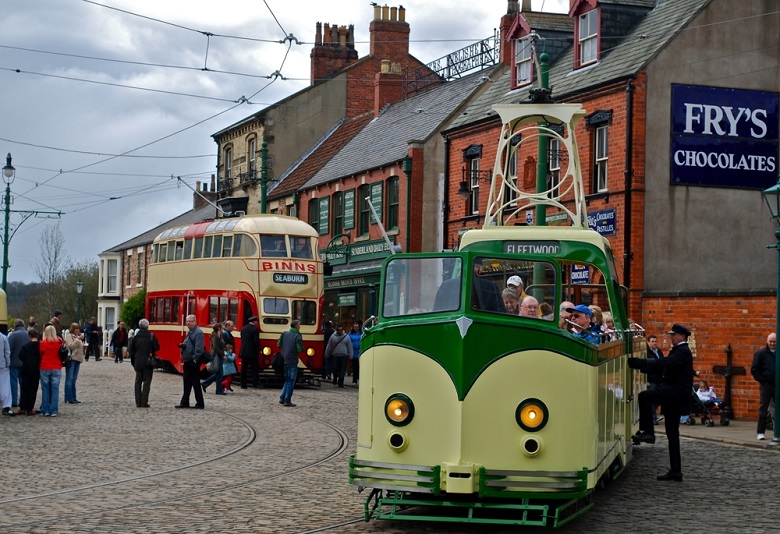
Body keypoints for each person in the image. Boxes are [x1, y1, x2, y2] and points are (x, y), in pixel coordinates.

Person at [628, 323, 695, 482]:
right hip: (674, 395)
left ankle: (649, 432)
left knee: (645, 396)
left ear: (682, 337)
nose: (671, 337)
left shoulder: (683, 351)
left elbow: (665, 363)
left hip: (675, 393)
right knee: (672, 435)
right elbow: (664, 367)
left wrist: (641, 363)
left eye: (674, 335)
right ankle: (676, 471)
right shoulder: (680, 351)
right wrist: (644, 366)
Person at [176, 314, 205, 409]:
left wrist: (194, 359)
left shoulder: (198, 333)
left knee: (195, 383)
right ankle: (185, 402)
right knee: (187, 382)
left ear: (195, 322)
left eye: (190, 321)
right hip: (188, 360)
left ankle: (200, 403)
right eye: (187, 321)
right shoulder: (190, 332)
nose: (188, 323)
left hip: (193, 361)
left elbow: (199, 349)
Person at [129, 319, 160, 408]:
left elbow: (132, 351)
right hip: (148, 362)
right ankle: (144, 402)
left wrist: (133, 362)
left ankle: (138, 402)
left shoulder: (135, 337)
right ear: (147, 326)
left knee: (138, 382)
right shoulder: (151, 336)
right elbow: (157, 347)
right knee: (147, 382)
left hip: (138, 362)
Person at [751, 332, 776, 440]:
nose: (772, 344)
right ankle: (760, 432)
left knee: (777, 410)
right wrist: (762, 380)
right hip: (766, 385)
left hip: (777, 384)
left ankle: (777, 431)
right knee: (763, 409)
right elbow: (754, 369)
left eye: (774, 342)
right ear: (767, 341)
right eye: (770, 341)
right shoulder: (761, 353)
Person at [39, 325, 64, 417]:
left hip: (45, 366)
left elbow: (40, 354)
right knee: (55, 389)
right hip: (56, 366)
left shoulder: (43, 343)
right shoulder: (59, 342)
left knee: (45, 389)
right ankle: (53, 410)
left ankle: (45, 409)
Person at [278, 319, 303, 406]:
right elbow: (299, 349)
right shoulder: (297, 336)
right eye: (299, 325)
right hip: (292, 359)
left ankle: (282, 397)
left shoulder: (284, 334)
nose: (300, 326)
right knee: (291, 380)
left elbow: (279, 344)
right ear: (296, 326)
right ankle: (287, 400)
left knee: (287, 379)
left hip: (284, 359)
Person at [17, 329, 40, 416]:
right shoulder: (39, 346)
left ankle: (23, 407)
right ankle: (30, 408)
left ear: (29, 336)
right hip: (36, 369)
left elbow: (21, 356)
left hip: (26, 368)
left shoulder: (25, 346)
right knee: (33, 388)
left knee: (24, 387)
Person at [63, 323, 85, 404]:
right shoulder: (69, 336)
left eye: (78, 329)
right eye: (76, 329)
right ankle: (68, 397)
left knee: (74, 379)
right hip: (72, 359)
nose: (77, 330)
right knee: (70, 379)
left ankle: (73, 397)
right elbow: (71, 346)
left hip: (77, 360)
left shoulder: (77, 338)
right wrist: (77, 339)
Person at [201, 323, 226, 395]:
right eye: (222, 327)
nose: (223, 328)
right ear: (219, 328)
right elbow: (215, 347)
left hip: (219, 355)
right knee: (219, 373)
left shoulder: (219, 336)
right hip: (217, 356)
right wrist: (223, 354)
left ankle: (205, 384)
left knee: (219, 373)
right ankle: (218, 390)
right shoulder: (215, 336)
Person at [325, 324, 352, 388]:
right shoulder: (333, 336)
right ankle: (335, 377)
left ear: (342, 330)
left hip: (343, 355)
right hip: (335, 355)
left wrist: (351, 354)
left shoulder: (346, 337)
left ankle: (341, 382)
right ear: (336, 330)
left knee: (342, 370)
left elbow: (349, 346)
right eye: (338, 330)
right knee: (334, 368)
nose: (340, 331)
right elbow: (329, 345)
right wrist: (327, 353)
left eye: (341, 330)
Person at [8, 319, 27, 409]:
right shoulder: (28, 335)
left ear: (15, 326)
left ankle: (13, 400)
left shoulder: (13, 335)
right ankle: (23, 400)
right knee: (23, 382)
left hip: (14, 362)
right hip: (25, 363)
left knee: (13, 382)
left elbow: (9, 349)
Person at [646, 334, 665, 425]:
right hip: (651, 379)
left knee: (661, 398)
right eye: (652, 341)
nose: (654, 343)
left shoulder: (659, 352)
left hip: (660, 379)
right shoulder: (646, 353)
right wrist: (646, 380)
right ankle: (652, 418)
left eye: (655, 341)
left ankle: (651, 416)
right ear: (648, 342)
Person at [239, 316, 261, 389]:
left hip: (244, 351)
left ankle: (243, 384)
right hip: (252, 352)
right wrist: (258, 350)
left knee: (244, 368)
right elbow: (256, 342)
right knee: (254, 368)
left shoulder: (244, 328)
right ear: (254, 322)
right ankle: (255, 383)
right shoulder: (255, 330)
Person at [0, 329, 12, 416]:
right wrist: (8, 364)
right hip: (2, 364)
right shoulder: (3, 337)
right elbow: (7, 352)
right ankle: (6, 406)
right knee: (5, 386)